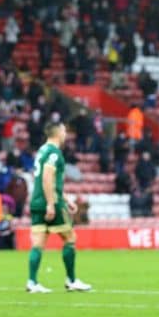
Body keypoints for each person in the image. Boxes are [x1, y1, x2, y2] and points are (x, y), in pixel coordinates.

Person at [27, 122, 92, 293]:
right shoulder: (54, 153)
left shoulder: (41, 151)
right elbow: (48, 177)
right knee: (70, 238)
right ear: (57, 133)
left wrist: (67, 198)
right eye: (64, 130)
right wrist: (51, 203)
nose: (66, 133)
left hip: (36, 201)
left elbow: (46, 180)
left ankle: (32, 282)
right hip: (51, 202)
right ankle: (71, 280)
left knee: (38, 242)